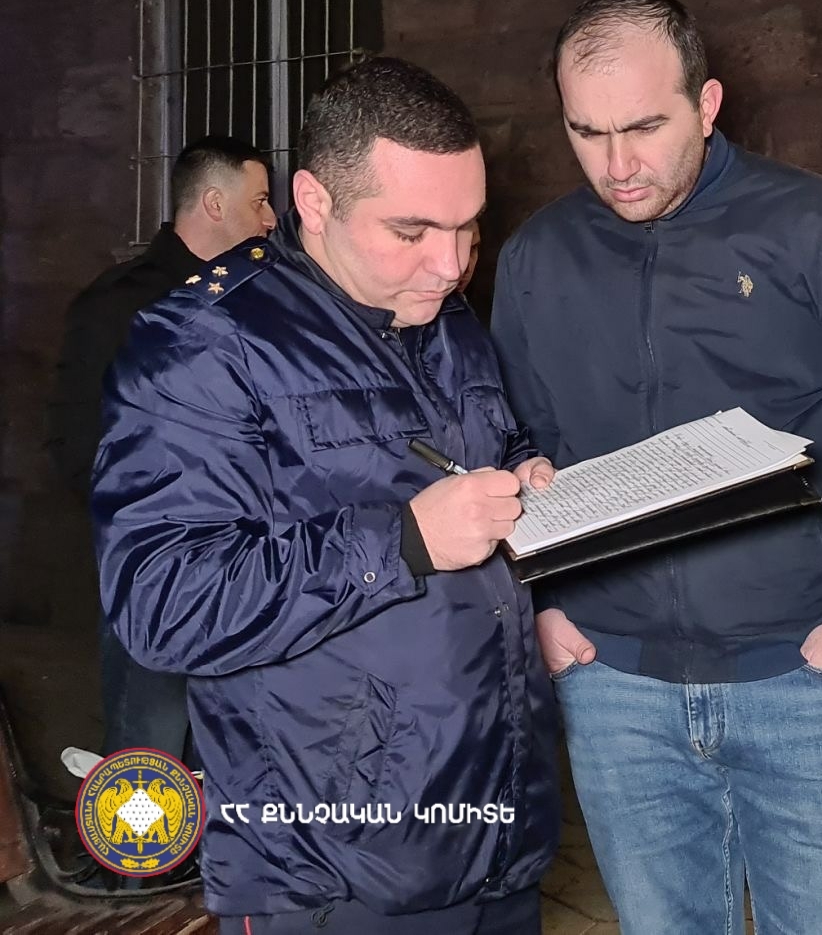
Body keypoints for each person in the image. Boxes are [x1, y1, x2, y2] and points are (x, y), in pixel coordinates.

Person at [491, 0, 822, 934]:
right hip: (616, 687)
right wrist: (543, 604)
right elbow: (516, 443)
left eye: (645, 127)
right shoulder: (537, 257)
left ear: (707, 104)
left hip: (805, 676)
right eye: (587, 133)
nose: (618, 165)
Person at [92, 57, 560, 934]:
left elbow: (490, 441)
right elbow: (161, 602)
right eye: (412, 230)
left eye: (468, 227)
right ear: (313, 201)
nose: (450, 264)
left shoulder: (443, 311)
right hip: (330, 867)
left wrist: (525, 471)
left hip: (495, 825)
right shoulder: (202, 345)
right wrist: (402, 542)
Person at [47, 135, 274, 781]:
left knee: (231, 755)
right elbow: (75, 442)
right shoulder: (120, 305)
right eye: (259, 201)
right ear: (214, 203)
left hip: (254, 569)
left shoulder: (260, 301)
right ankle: (133, 849)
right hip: (160, 571)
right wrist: (145, 532)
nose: (270, 219)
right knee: (150, 754)